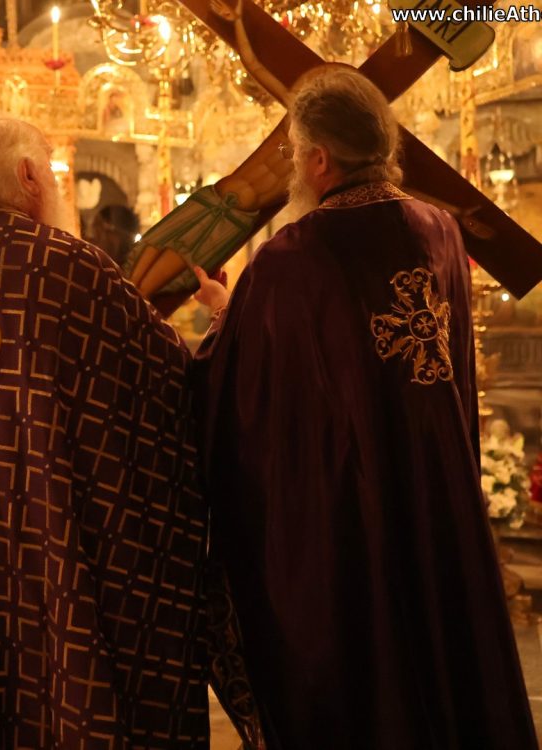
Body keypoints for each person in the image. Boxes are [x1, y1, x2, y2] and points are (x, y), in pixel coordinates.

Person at [0, 116, 267, 749]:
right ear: (29, 175)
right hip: (57, 563)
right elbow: (174, 384)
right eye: (52, 171)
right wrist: (224, 320)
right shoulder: (69, 266)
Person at [195, 66, 538, 748]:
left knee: (368, 658)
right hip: (437, 488)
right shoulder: (441, 231)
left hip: (352, 506)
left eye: (296, 152)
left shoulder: (290, 257)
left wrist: (221, 318)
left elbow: (245, 389)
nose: (296, 165)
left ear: (320, 159)